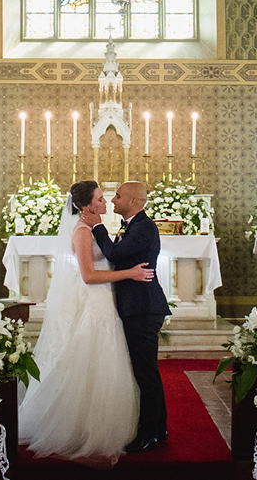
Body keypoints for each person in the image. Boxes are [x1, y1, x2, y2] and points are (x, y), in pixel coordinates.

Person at [18, 179, 154, 468]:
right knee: (92, 362)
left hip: (106, 304)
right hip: (94, 302)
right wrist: (129, 274)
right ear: (88, 205)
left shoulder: (94, 229)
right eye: (102, 199)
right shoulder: (81, 231)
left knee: (107, 363)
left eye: (110, 198)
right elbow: (89, 276)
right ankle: (83, 427)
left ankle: (111, 424)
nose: (106, 203)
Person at [82, 180, 170, 453]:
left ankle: (151, 432)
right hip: (137, 306)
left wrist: (96, 226)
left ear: (133, 201)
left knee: (146, 372)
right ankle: (159, 427)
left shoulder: (144, 227)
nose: (114, 200)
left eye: (118, 196)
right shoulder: (134, 226)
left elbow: (116, 253)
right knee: (144, 371)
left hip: (143, 308)